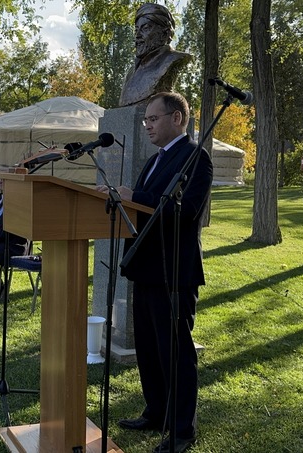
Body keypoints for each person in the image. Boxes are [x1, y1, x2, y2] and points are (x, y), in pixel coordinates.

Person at [97, 92, 213, 452]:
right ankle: (156, 411)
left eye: (153, 119)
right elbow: (146, 206)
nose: (147, 125)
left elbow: (188, 210)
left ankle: (181, 430)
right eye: (146, 120)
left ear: (177, 118)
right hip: (145, 268)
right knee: (148, 347)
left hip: (174, 271)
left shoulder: (196, 157)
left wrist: (137, 197)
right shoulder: (153, 160)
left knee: (174, 352)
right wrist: (121, 198)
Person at [119, 3, 192, 107]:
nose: (137, 36)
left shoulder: (172, 60)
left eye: (145, 28)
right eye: (136, 30)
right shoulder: (131, 72)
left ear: (165, 33)